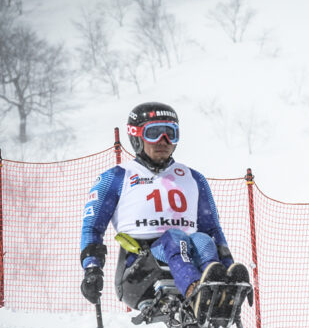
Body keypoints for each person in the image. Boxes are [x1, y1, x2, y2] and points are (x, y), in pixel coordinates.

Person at [79, 101, 249, 313]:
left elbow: (212, 229)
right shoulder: (116, 177)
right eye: (154, 133)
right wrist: (92, 269)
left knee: (203, 239)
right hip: (139, 271)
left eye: (171, 133)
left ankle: (219, 291)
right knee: (174, 238)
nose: (164, 141)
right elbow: (92, 227)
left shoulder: (193, 178)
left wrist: (227, 265)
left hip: (185, 254)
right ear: (136, 136)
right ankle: (196, 291)